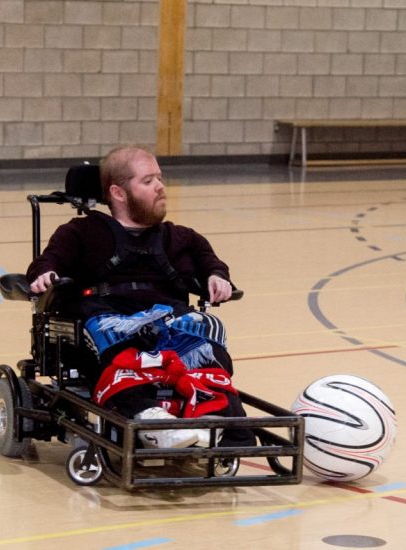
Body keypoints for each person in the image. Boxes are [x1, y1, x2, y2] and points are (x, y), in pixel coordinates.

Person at [27, 146, 252, 449]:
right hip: (110, 315)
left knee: (207, 326)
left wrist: (217, 276)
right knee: (110, 336)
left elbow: (210, 262)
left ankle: (221, 415)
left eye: (159, 178)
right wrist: (44, 275)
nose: (160, 187)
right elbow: (47, 262)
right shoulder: (82, 232)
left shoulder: (181, 237)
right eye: (148, 181)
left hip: (168, 317)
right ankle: (148, 418)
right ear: (118, 193)